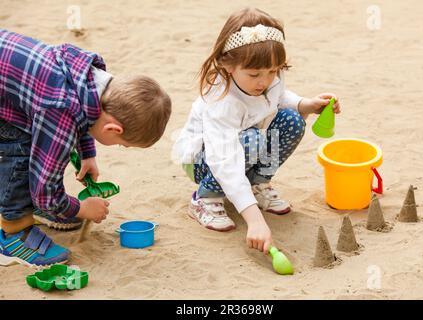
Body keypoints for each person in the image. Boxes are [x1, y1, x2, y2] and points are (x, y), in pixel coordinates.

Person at [173, 8, 341, 254]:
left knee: (293, 120)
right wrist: (254, 220)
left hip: (251, 144)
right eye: (254, 74)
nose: (264, 82)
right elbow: (224, 160)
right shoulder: (222, 101)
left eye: (273, 72)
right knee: (252, 141)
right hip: (205, 160)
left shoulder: (268, 78)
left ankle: (257, 184)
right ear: (227, 64)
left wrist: (305, 104)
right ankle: (205, 198)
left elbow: (277, 96)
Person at [0, 29, 172, 266]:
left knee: (39, 145)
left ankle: (32, 206)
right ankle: (14, 231)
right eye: (123, 145)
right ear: (114, 130)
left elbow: (84, 114)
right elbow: (46, 191)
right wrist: (81, 208)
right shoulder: (59, 109)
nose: (119, 146)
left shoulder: (90, 78)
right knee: (22, 148)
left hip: (10, 81)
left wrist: (87, 154)